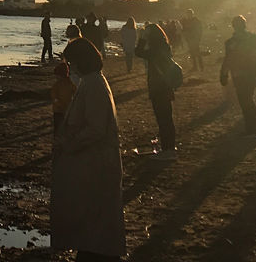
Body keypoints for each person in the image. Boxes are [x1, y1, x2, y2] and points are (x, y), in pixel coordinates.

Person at [51, 36, 125, 261]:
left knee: (95, 221)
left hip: (96, 164)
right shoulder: (91, 81)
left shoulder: (93, 85)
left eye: (72, 62)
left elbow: (95, 129)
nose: (70, 67)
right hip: (93, 162)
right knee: (93, 222)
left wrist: (68, 144)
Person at [134, 22, 178, 159]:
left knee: (163, 119)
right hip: (165, 87)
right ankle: (169, 147)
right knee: (167, 118)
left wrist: (142, 38)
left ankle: (168, 151)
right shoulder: (164, 46)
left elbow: (138, 52)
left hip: (159, 88)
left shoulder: (155, 50)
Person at [219, 15, 256, 135]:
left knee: (245, 99)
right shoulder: (255, 38)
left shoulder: (230, 43)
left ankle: (253, 125)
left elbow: (228, 60)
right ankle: (254, 124)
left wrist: (223, 74)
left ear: (233, 27)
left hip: (239, 75)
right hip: (253, 74)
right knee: (247, 98)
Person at [50, 61, 75, 133]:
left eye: (58, 75)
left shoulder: (69, 83)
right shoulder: (57, 85)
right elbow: (54, 97)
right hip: (59, 110)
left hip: (65, 109)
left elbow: (75, 92)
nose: (57, 77)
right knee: (58, 127)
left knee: (64, 127)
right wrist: (58, 103)